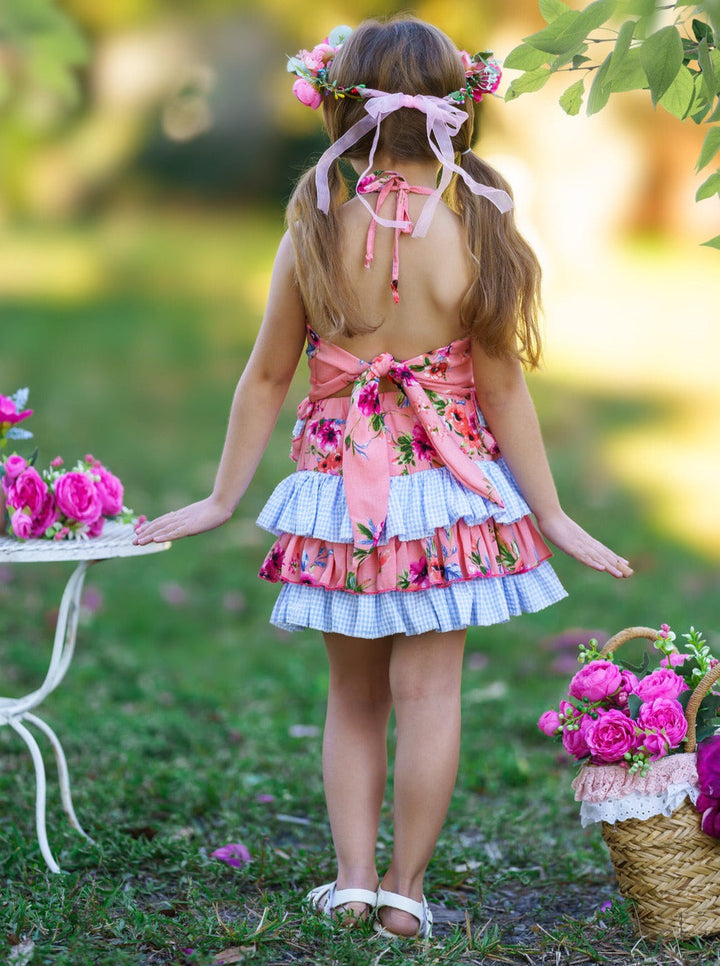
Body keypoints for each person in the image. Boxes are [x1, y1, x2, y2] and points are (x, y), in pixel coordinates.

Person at [133, 17, 633, 940]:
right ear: (459, 108)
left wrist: (220, 498)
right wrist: (552, 513)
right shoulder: (479, 222)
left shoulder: (316, 223)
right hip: (446, 496)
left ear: (338, 104)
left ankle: (354, 881)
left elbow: (268, 377)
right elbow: (503, 386)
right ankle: (405, 892)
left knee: (353, 698)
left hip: (342, 496)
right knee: (430, 698)